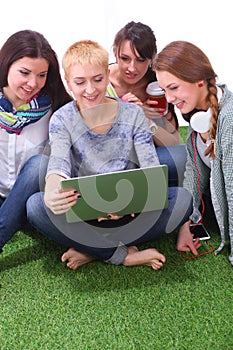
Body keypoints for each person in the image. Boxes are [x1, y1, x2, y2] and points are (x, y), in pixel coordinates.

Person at [26, 39, 194, 271]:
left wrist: (134, 201)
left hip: (131, 206)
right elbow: (58, 165)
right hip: (85, 211)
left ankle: (93, 250)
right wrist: (52, 191)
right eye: (80, 82)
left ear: (107, 75)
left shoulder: (132, 113)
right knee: (36, 206)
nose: (91, 89)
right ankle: (121, 254)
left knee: (183, 199)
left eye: (97, 79)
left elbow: (149, 166)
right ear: (68, 83)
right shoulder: (62, 120)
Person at [153, 40, 233, 266]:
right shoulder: (197, 115)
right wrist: (186, 223)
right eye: (165, 89)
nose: (168, 99)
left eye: (174, 88)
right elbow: (193, 172)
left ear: (199, 80)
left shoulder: (229, 119)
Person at [0, 30, 72, 254]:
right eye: (25, 73)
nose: (33, 83)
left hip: (33, 198)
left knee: (39, 164)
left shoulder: (54, 107)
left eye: (41, 75)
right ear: (6, 65)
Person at [107, 21, 187, 186]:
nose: (132, 68)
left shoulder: (156, 88)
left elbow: (173, 142)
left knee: (182, 156)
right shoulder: (102, 82)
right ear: (115, 53)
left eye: (140, 60)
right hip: (109, 160)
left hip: (147, 158)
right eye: (125, 58)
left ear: (152, 59)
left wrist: (146, 119)